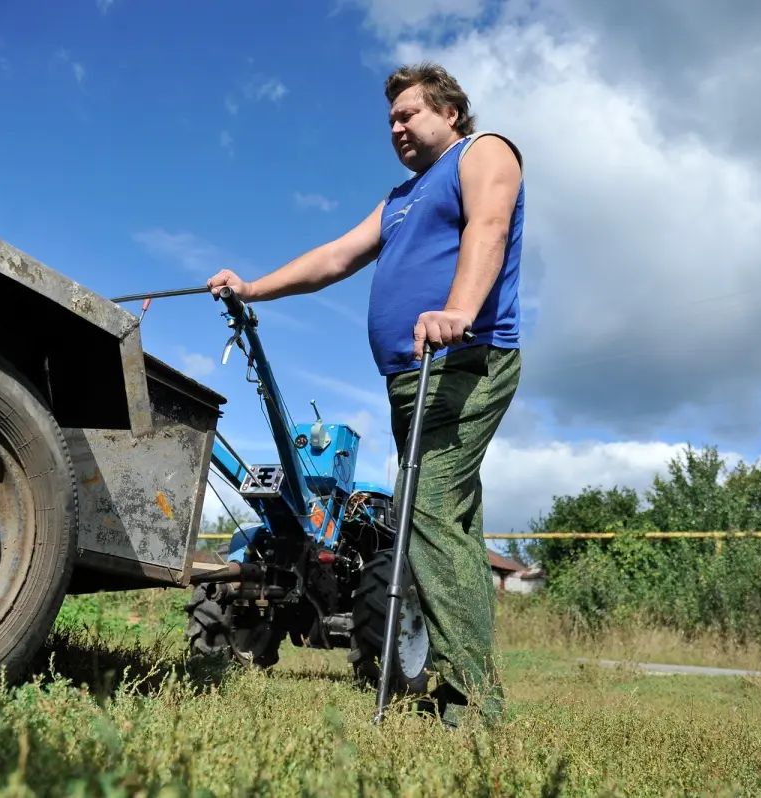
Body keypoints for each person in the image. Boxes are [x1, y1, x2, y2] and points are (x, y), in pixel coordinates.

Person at [206, 62, 524, 729]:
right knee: (453, 527)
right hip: (412, 378)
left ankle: (470, 703)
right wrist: (254, 289)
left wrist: (458, 308)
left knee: (428, 515)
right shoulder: (401, 197)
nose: (397, 127)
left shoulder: (484, 152)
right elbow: (335, 257)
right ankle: (477, 689)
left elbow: (488, 228)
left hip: (464, 360)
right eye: (390, 121)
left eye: (409, 114)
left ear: (450, 113)